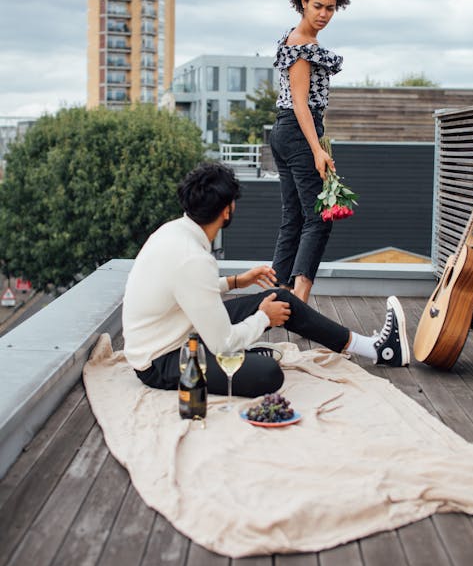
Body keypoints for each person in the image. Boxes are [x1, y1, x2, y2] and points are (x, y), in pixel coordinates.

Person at [122, 162, 410, 399]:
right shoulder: (192, 258)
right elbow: (223, 343)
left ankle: (374, 348)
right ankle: (250, 351)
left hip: (178, 331)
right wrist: (263, 318)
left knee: (281, 298)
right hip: (162, 360)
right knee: (268, 374)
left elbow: (184, 290)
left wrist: (235, 281)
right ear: (226, 210)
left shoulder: (174, 232)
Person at [270, 0, 354, 303]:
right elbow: (302, 104)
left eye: (331, 8)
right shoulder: (302, 45)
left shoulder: (298, 38)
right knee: (320, 218)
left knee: (294, 217)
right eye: (318, 5)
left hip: (285, 131)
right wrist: (317, 149)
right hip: (298, 128)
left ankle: (277, 297)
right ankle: (300, 302)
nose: (324, 14)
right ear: (303, 1)